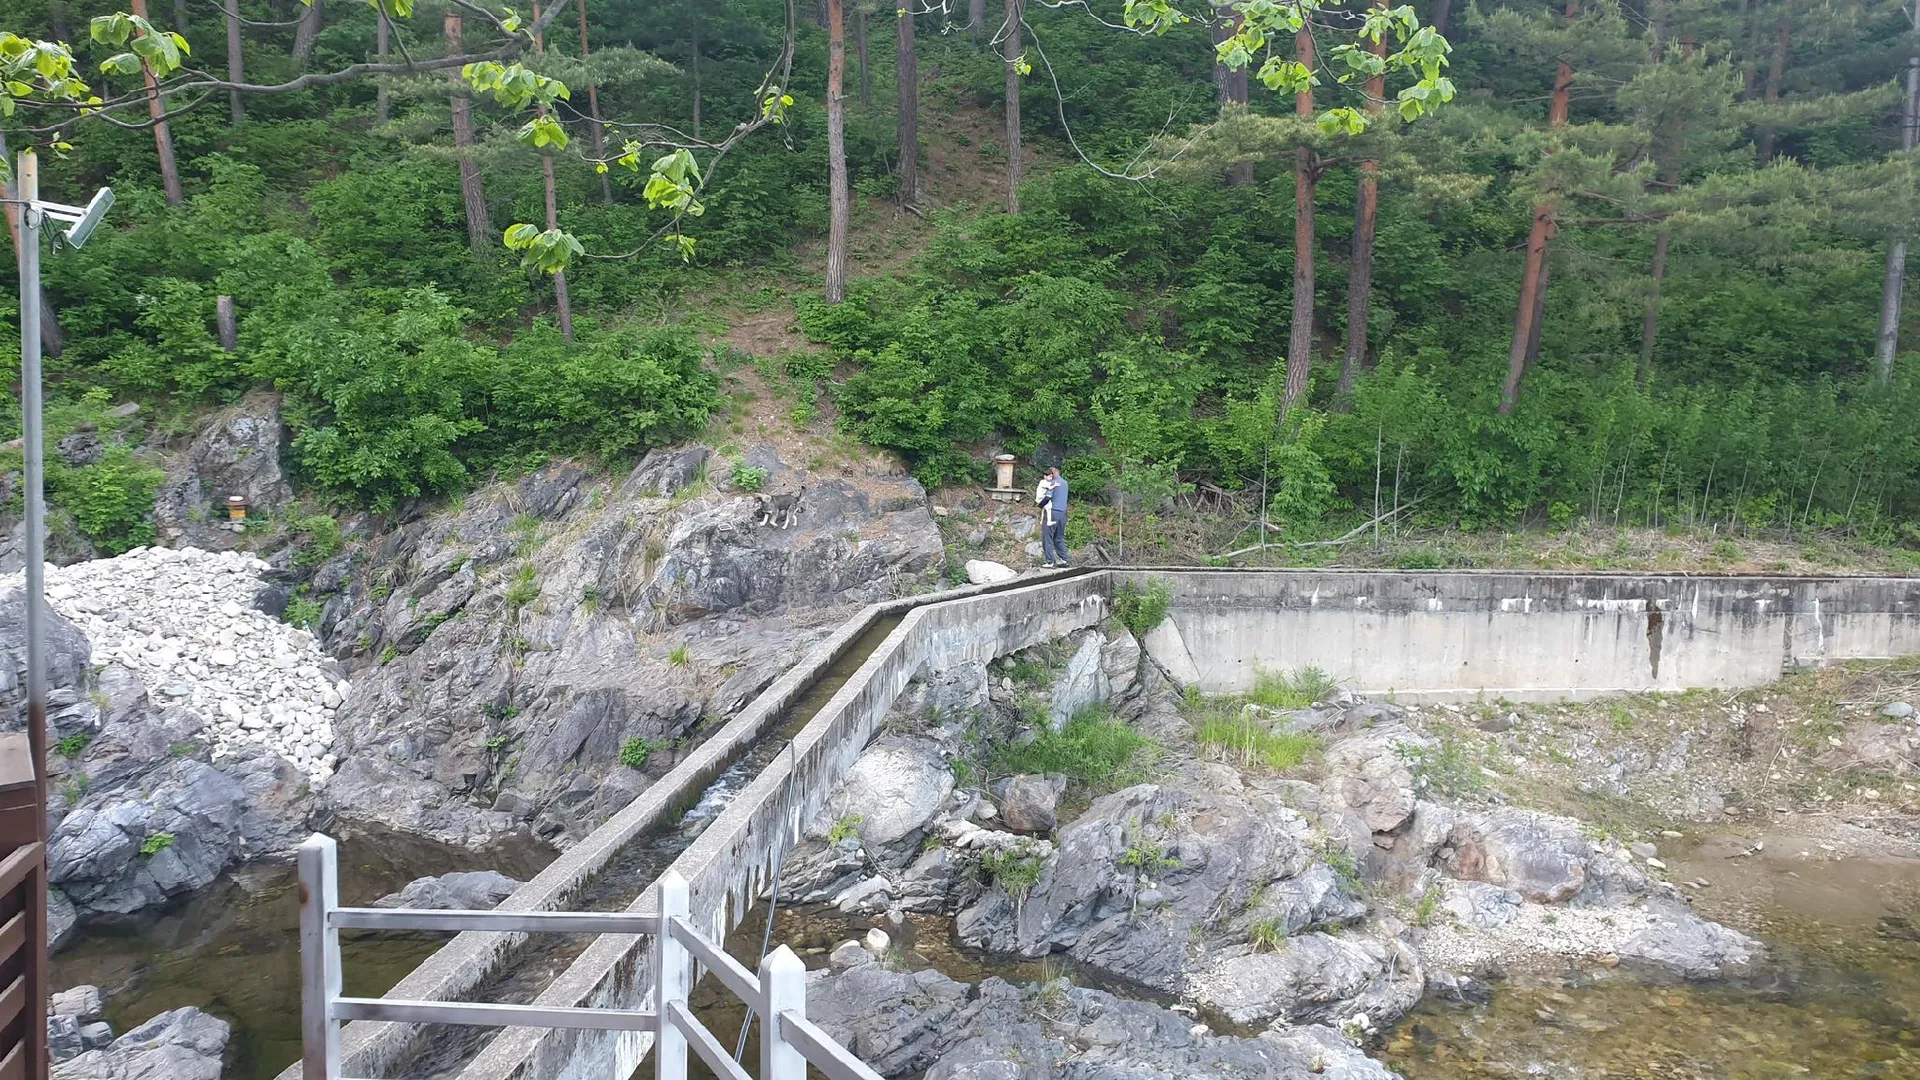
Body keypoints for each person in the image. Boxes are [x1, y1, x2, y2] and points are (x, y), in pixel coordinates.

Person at [1036, 466, 1069, 567]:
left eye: (1050, 472)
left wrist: (1039, 505)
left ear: (1054, 472)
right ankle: (1064, 559)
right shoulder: (1065, 483)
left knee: (1047, 537)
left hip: (1052, 512)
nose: (1049, 474)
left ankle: (1050, 561)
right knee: (1059, 537)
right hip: (1063, 513)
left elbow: (1048, 497)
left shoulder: (1052, 483)